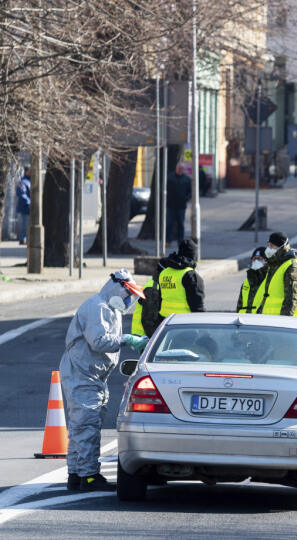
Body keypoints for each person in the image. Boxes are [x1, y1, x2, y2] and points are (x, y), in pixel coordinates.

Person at [60, 270, 148, 491]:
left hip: (91, 374)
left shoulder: (110, 309)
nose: (131, 301)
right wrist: (127, 339)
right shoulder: (98, 307)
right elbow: (98, 342)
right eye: (130, 296)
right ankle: (89, 476)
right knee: (86, 426)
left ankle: (76, 474)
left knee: (81, 426)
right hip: (82, 373)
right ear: (118, 288)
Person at [144, 239, 205, 334]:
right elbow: (197, 306)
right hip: (186, 325)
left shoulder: (164, 273)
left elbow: (160, 300)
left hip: (166, 324)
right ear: (193, 256)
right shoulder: (190, 275)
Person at [252, 232, 297, 317]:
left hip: (283, 323)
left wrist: (284, 322)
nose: (269, 248)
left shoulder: (293, 267)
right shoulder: (275, 264)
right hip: (269, 320)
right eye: (268, 245)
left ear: (281, 247)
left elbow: (292, 299)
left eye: (272, 246)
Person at [167, 163, 192, 245]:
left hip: (181, 206)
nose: (180, 169)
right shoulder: (170, 177)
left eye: (181, 168)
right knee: (169, 223)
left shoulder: (187, 179)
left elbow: (190, 192)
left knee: (181, 224)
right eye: (179, 168)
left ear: (184, 170)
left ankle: (180, 241)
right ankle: (168, 240)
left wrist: (186, 199)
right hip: (170, 205)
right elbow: (164, 189)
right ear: (176, 168)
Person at [237, 247, 267, 313]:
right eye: (254, 259)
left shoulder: (269, 280)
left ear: (266, 260)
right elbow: (240, 304)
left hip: (259, 320)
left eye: (259, 259)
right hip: (244, 319)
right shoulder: (247, 281)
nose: (256, 261)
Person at [15, 165, 30, 245]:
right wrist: (30, 202)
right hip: (24, 208)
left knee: (27, 224)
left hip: (28, 208)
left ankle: (25, 239)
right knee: (24, 225)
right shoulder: (22, 182)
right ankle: (23, 239)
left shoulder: (30, 181)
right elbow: (21, 194)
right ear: (27, 171)